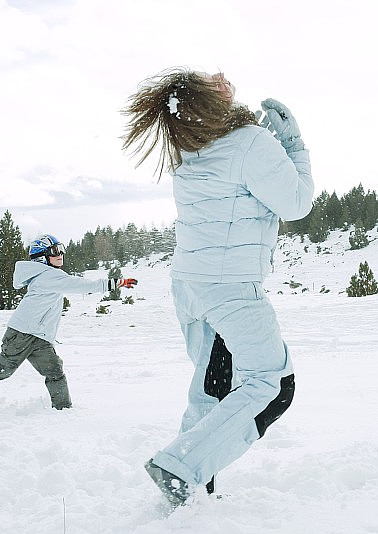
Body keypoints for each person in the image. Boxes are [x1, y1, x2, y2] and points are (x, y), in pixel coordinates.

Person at [121, 68, 313, 509]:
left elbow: (235, 181)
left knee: (215, 383)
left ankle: (193, 485)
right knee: (273, 383)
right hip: (229, 286)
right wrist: (293, 147)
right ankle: (181, 467)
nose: (222, 75)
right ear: (210, 103)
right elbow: (297, 203)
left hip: (189, 285)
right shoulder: (249, 142)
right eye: (212, 80)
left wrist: (269, 147)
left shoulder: (188, 148)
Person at [0, 234, 137, 410]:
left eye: (61, 250)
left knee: (54, 371)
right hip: (21, 334)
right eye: (54, 251)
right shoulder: (48, 277)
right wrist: (115, 283)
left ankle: (63, 410)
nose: (60, 254)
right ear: (42, 258)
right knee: (3, 369)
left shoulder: (51, 275)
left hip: (40, 337)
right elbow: (82, 285)